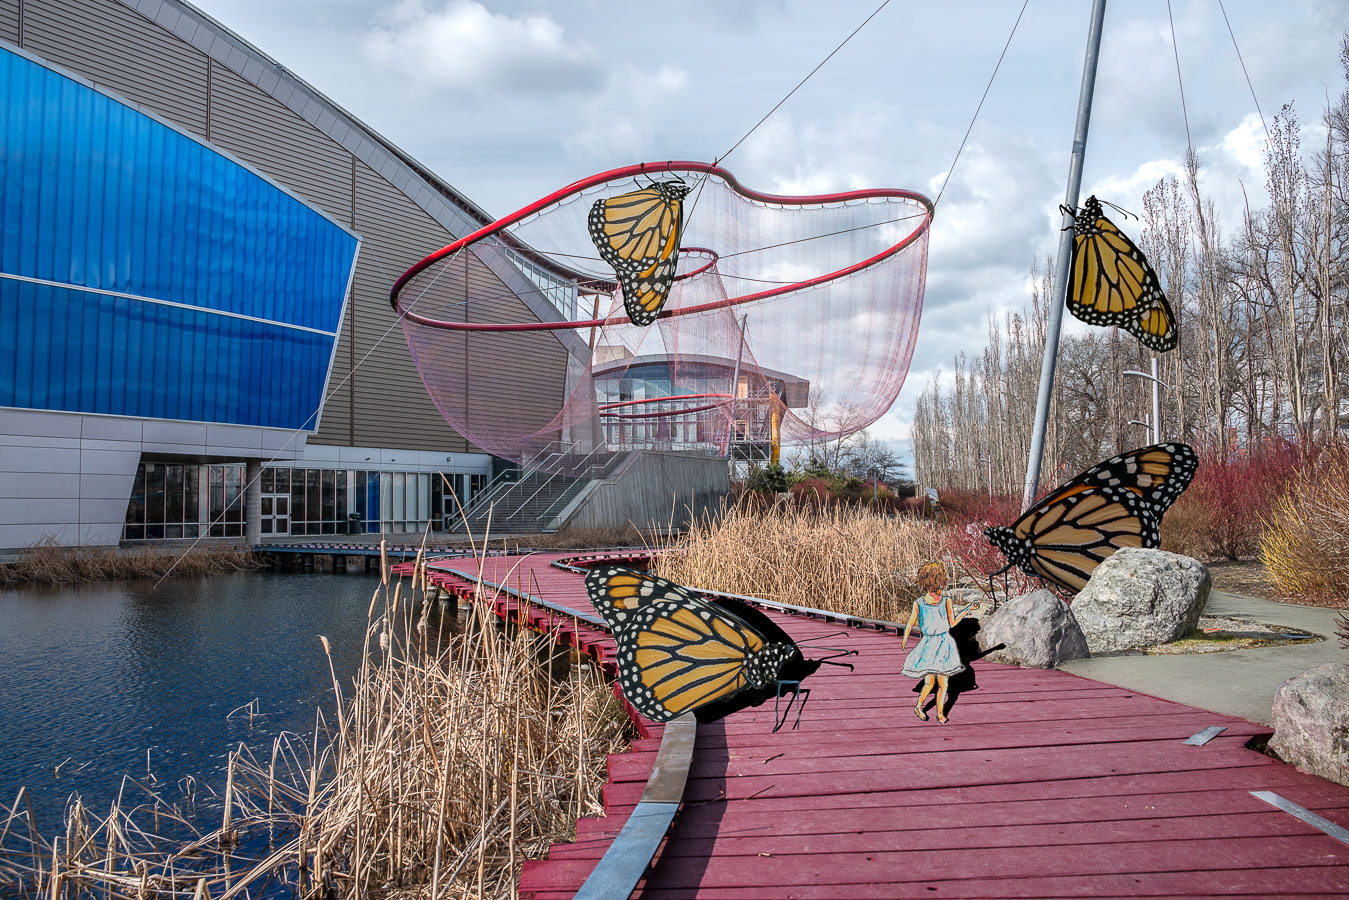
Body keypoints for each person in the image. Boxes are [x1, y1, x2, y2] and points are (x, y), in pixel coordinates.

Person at [901, 562, 978, 724]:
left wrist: (967, 609)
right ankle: (919, 706)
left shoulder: (946, 601)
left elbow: (951, 622)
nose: (940, 587)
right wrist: (905, 636)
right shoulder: (919, 603)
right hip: (929, 645)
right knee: (929, 682)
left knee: (944, 682)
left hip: (944, 644)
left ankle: (940, 713)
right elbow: (911, 621)